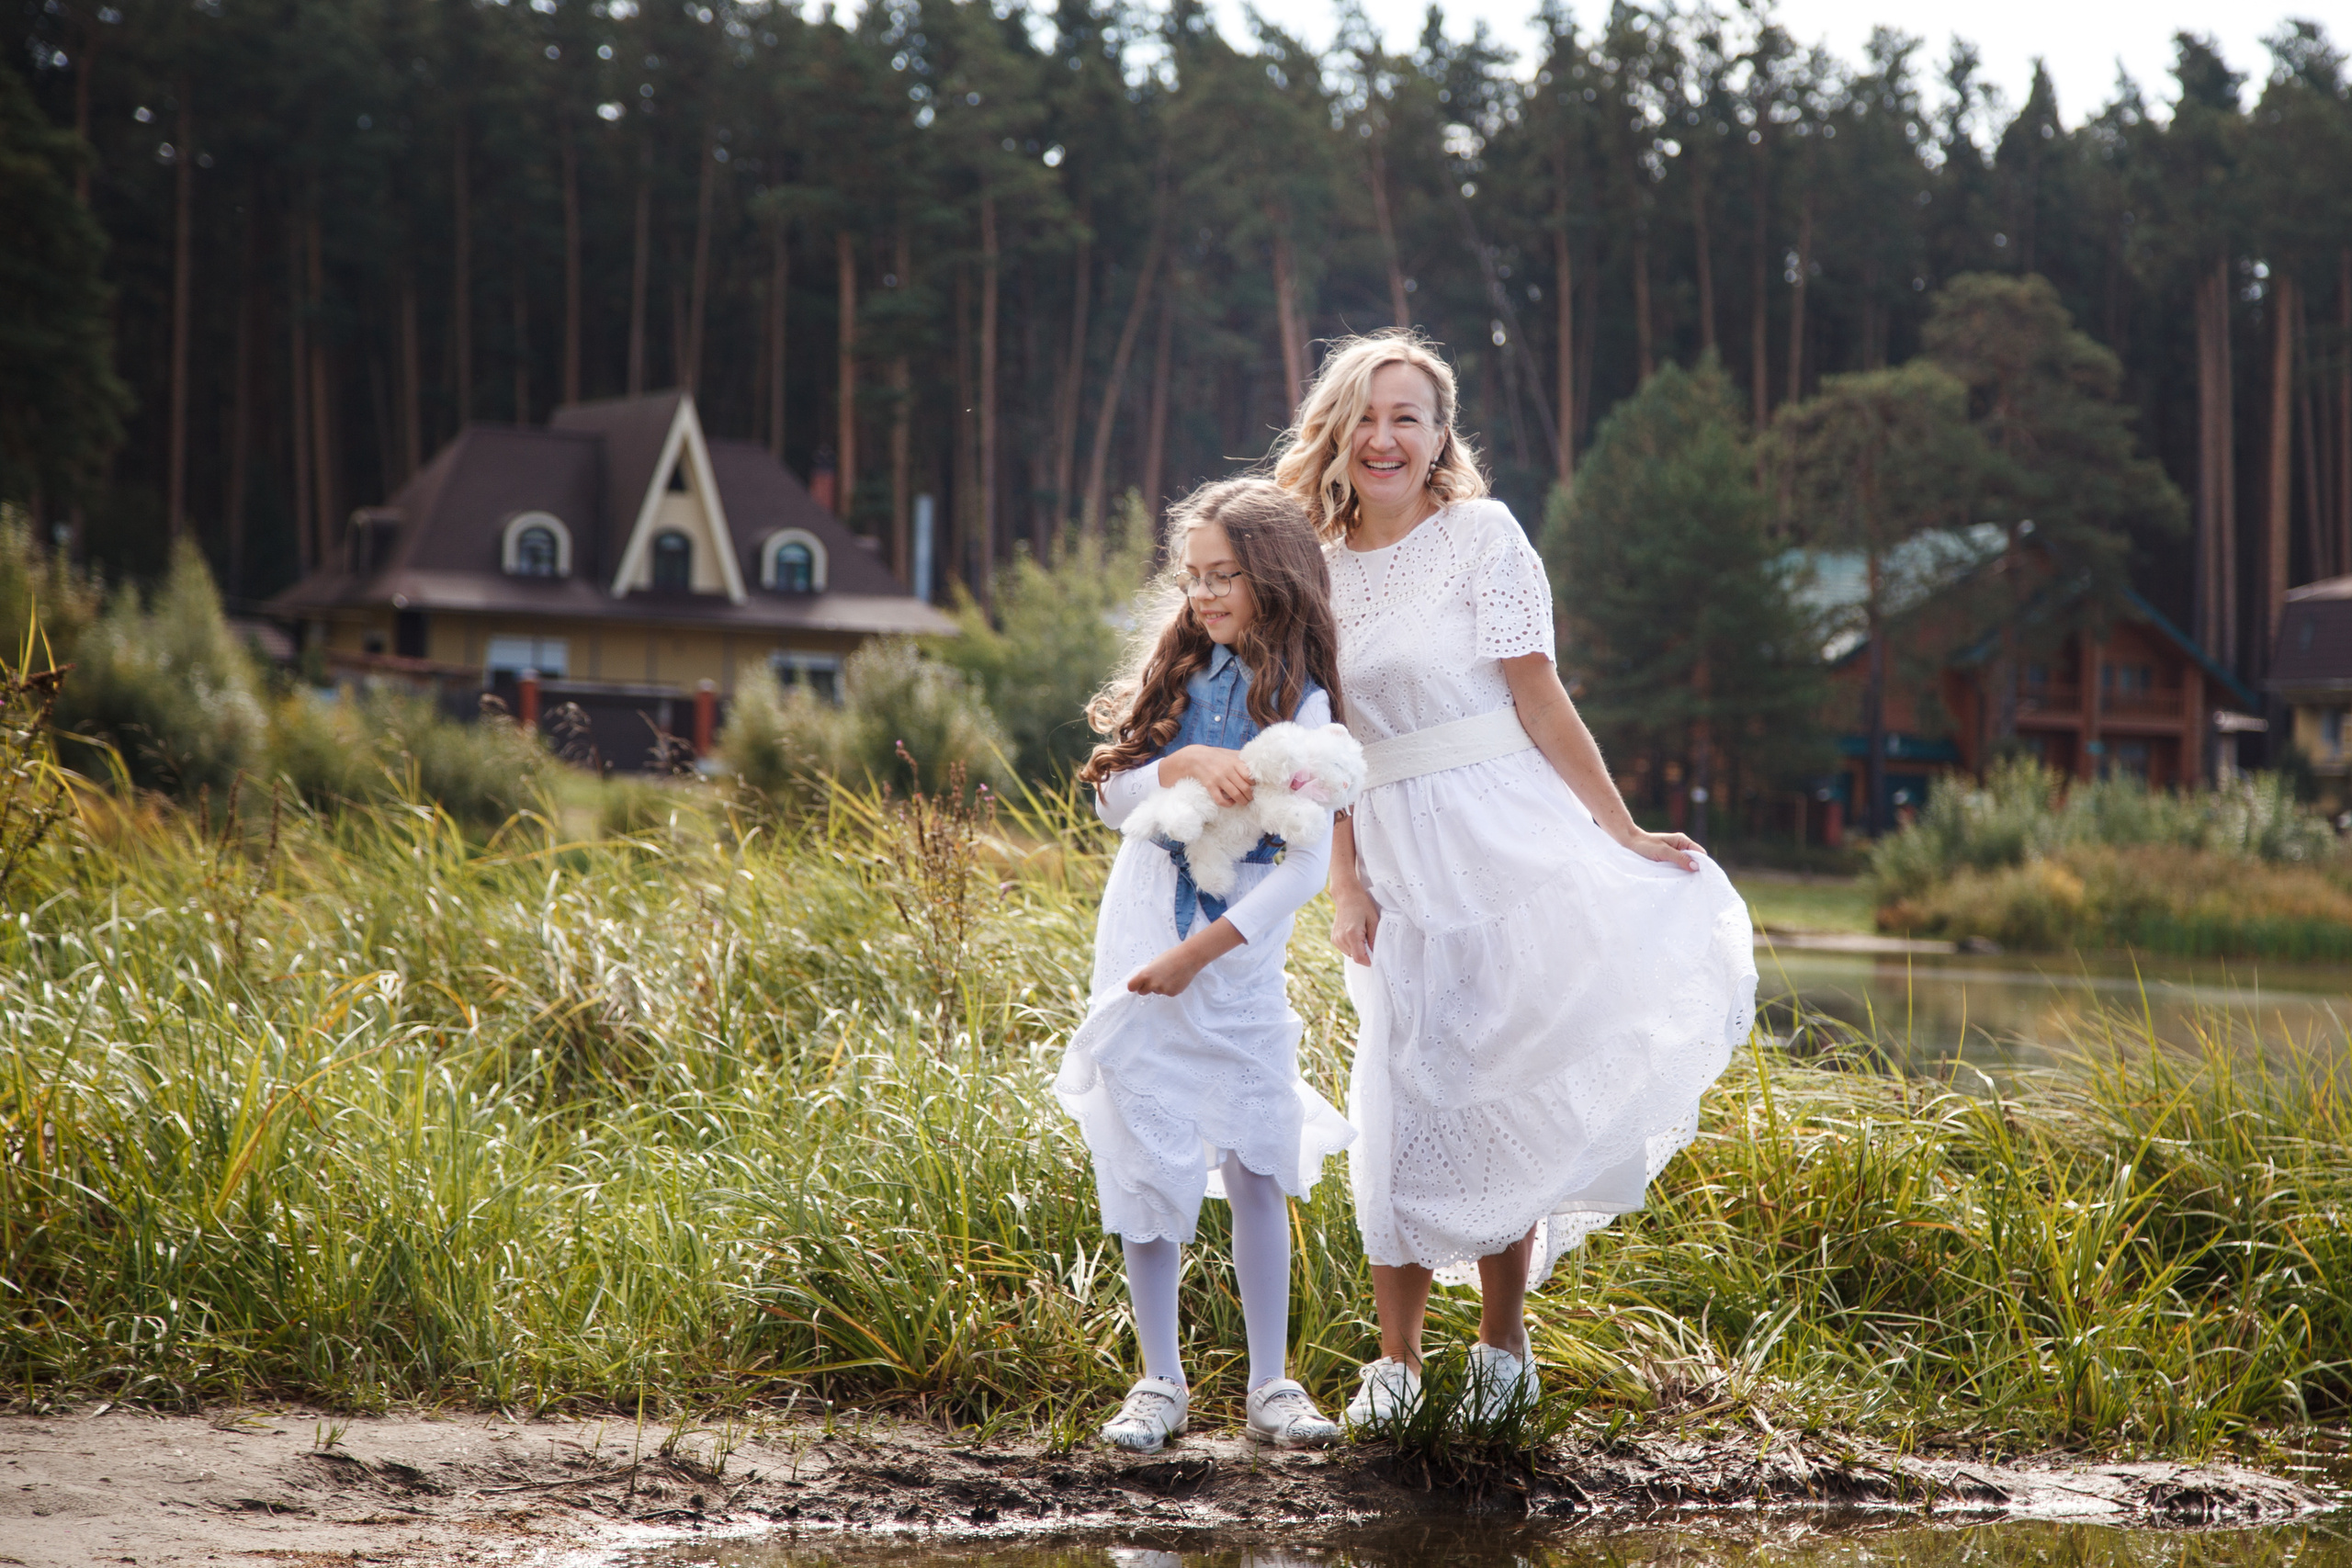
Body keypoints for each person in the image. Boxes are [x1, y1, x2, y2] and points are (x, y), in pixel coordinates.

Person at [1269, 333, 1757, 1427]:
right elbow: (1327, 741)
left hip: (1506, 836)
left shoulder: (1484, 537)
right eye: (1366, 416)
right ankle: (1394, 1368)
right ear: (1336, 433)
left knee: (1497, 1092)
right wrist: (1344, 878)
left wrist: (1621, 831)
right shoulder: (1313, 567)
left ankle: (1500, 1350)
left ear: (1442, 436)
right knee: (1398, 1098)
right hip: (1395, 850)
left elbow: (1539, 697)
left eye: (1409, 417)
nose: (1385, 437)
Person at [1057, 478, 1358, 1454]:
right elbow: (1110, 803)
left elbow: (1306, 865)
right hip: (1143, 936)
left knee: (1255, 1156)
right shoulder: (1177, 678)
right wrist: (1179, 766)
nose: (1203, 595)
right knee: (1146, 1150)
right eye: (1192, 578)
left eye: (1223, 575)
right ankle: (1159, 1380)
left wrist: (1206, 952)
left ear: (1273, 578)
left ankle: (1271, 1383)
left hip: (1227, 963)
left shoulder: (1303, 707)